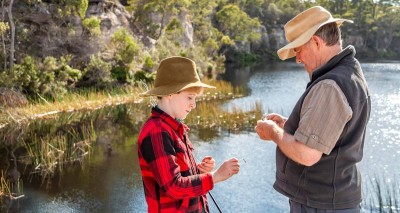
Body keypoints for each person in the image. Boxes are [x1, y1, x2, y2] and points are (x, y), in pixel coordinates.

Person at [255, 6, 371, 212]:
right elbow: (333, 132)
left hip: (321, 205)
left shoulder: (329, 85)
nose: (298, 59)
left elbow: (307, 154)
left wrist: (273, 133)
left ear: (316, 42)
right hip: (332, 202)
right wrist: (289, 125)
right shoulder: (349, 72)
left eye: (299, 50)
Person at [138, 56, 240, 213]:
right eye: (190, 97)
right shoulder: (157, 131)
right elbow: (173, 186)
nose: (194, 104)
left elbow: (179, 177)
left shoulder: (173, 128)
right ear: (170, 93)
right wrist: (215, 176)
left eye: (195, 98)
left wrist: (199, 171)